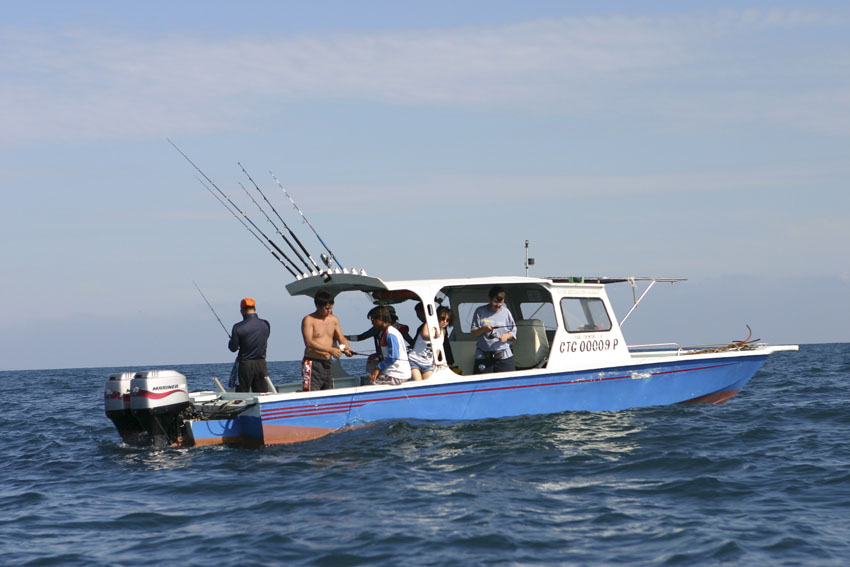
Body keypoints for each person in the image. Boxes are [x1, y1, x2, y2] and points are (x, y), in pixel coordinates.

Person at [301, 290, 353, 391]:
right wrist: (330, 350)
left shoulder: (333, 319)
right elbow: (309, 343)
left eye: (331, 307)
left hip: (327, 363)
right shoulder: (308, 320)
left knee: (328, 393)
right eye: (327, 308)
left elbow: (341, 338)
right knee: (311, 394)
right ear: (317, 305)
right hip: (312, 363)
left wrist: (346, 348)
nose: (329, 311)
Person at [470, 286, 517, 374]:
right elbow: (474, 333)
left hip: (504, 358)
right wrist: (483, 329)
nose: (498, 305)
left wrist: (507, 336)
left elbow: (514, 330)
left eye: (501, 302)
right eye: (495, 302)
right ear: (490, 299)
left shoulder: (506, 312)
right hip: (483, 357)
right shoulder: (480, 311)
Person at [228, 297, 271, 393]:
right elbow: (264, 338)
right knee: (262, 393)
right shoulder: (265, 324)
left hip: (245, 365)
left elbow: (233, 348)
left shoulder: (238, 327)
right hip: (261, 363)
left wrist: (232, 340)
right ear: (254, 308)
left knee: (242, 395)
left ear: (242, 310)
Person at [368, 306, 412, 386]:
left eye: (373, 320)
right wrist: (377, 355)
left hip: (397, 375)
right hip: (396, 373)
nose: (372, 323)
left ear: (380, 318)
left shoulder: (390, 334)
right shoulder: (389, 332)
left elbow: (393, 357)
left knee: (372, 384)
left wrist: (378, 368)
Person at [408, 303, 435, 381]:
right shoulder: (422, 327)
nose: (418, 316)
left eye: (419, 313)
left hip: (427, 359)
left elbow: (424, 336)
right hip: (421, 358)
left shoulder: (425, 326)